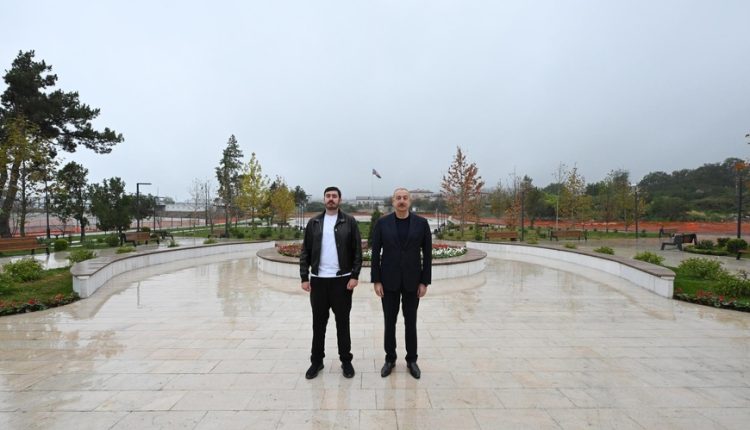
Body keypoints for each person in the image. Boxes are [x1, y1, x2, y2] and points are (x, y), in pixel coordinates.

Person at [299, 186, 362, 379]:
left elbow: (357, 251)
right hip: (319, 281)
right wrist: (304, 277)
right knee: (318, 324)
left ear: (340, 200)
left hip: (342, 281)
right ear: (324, 199)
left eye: (334, 196)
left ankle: (346, 361)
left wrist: (354, 275)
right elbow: (305, 251)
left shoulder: (349, 221)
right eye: (328, 196)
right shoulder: (314, 222)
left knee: (342, 323)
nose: (331, 199)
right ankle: (316, 362)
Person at [371, 187, 432, 379]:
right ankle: (390, 359)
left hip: (412, 282)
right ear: (393, 201)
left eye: (405, 198)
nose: (402, 201)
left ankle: (412, 360)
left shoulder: (421, 224)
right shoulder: (382, 223)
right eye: (398, 198)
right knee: (389, 322)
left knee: (410, 322)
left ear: (410, 201)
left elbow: (427, 255)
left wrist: (424, 282)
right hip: (388, 281)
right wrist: (376, 280)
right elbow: (375, 254)